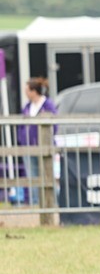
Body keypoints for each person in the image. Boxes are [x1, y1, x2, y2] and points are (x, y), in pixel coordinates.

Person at [17, 77, 58, 206]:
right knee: (32, 177)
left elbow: (54, 124)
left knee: (47, 176)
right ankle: (36, 203)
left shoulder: (47, 105)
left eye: (27, 90)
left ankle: (53, 204)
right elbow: (21, 125)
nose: (25, 93)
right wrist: (21, 138)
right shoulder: (27, 107)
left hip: (44, 146)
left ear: (34, 91)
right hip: (29, 147)